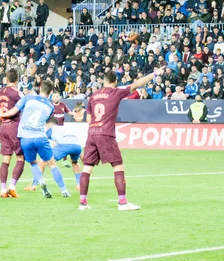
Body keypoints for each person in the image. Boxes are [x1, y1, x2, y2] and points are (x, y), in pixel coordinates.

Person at [79, 69, 161, 211]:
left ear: (103, 80)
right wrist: (154, 74)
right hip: (106, 134)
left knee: (87, 168)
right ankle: (122, 202)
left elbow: (88, 119)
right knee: (118, 166)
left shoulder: (93, 96)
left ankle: (83, 203)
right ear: (115, 81)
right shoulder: (116, 92)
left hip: (92, 133)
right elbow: (137, 84)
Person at [0, 80, 70, 198]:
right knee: (52, 164)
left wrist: (3, 115)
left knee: (33, 163)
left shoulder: (28, 98)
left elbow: (14, 111)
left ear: (40, 88)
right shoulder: (50, 106)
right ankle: (64, 190)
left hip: (25, 138)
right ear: (51, 92)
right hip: (40, 137)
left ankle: (40, 182)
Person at [0, 69, 25, 198]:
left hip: (3, 127)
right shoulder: (17, 93)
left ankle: (2, 189)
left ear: (6, 79)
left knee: (5, 159)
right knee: (20, 158)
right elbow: (25, 108)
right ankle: (12, 186)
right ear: (17, 79)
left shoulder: (0, 92)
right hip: (14, 126)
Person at [39, 117, 82, 190]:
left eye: (45, 126)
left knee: (43, 161)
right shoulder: (62, 128)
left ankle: (34, 184)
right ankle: (79, 184)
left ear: (48, 124)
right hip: (77, 145)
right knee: (75, 162)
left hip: (65, 145)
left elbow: (42, 141)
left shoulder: (51, 129)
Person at [51, 92, 74, 167]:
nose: (55, 98)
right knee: (53, 145)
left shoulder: (62, 105)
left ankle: (64, 160)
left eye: (56, 96)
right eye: (54, 96)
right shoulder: (50, 106)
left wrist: (73, 113)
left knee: (64, 143)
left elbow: (69, 112)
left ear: (59, 97)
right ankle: (50, 160)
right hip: (53, 129)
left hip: (61, 128)